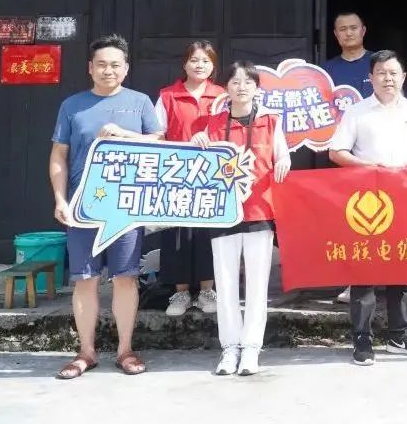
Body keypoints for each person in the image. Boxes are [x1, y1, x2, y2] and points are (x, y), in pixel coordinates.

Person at [50, 34, 163, 379]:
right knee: (84, 279)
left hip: (126, 207)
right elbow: (58, 156)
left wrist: (125, 135)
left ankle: (125, 350)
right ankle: (86, 352)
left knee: (125, 278)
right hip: (83, 207)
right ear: (90, 68)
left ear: (126, 68)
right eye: (101, 64)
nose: (108, 70)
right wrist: (60, 199)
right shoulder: (72, 105)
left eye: (115, 64)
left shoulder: (140, 102)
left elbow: (159, 143)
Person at [329, 50, 407, 366]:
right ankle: (362, 339)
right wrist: (370, 167)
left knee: (401, 267)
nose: (387, 78)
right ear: (371, 78)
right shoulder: (357, 112)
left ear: (403, 77)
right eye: (381, 72)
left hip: (405, 198)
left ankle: (399, 335)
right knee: (364, 270)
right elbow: (336, 151)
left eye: (393, 73)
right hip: (367, 204)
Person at [191, 61, 291, 376]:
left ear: (257, 87)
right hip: (223, 211)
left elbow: (282, 155)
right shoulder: (213, 123)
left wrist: (284, 161)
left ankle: (251, 348)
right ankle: (230, 347)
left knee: (258, 284)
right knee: (225, 282)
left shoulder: (271, 121)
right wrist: (197, 143)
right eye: (235, 81)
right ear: (227, 88)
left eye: (248, 81)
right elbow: (200, 163)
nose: (241, 87)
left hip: (259, 210)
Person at [154, 40, 225, 317]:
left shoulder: (222, 96)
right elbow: (157, 134)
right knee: (177, 233)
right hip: (176, 174)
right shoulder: (167, 95)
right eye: (194, 60)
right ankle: (181, 292)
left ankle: (207, 290)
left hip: (211, 176)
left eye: (206, 61)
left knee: (209, 231)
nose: (199, 65)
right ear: (184, 64)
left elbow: (230, 129)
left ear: (213, 66)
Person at [320, 11, 372, 305]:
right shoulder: (326, 71)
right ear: (335, 34)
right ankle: (354, 282)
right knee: (350, 218)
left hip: (379, 153)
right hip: (343, 155)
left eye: (354, 27)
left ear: (363, 30)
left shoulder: (379, 63)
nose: (349, 33)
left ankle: (397, 281)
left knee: (391, 215)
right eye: (343, 29)